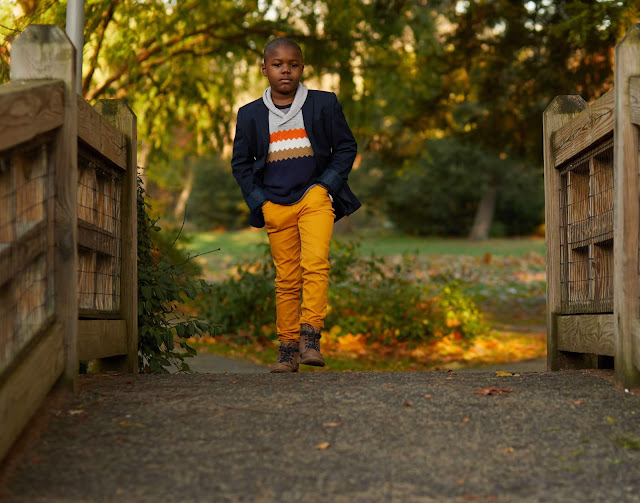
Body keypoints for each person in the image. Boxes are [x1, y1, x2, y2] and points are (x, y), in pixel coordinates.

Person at [231, 37, 360, 373]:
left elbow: (346, 147)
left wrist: (325, 186)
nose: (285, 70)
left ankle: (310, 337)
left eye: (293, 64)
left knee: (316, 264)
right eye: (277, 64)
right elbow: (241, 164)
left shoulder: (323, 104)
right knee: (286, 278)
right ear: (264, 69)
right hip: (275, 203)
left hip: (313, 198)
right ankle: (287, 350)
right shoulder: (250, 115)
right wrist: (261, 202)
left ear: (302, 68)